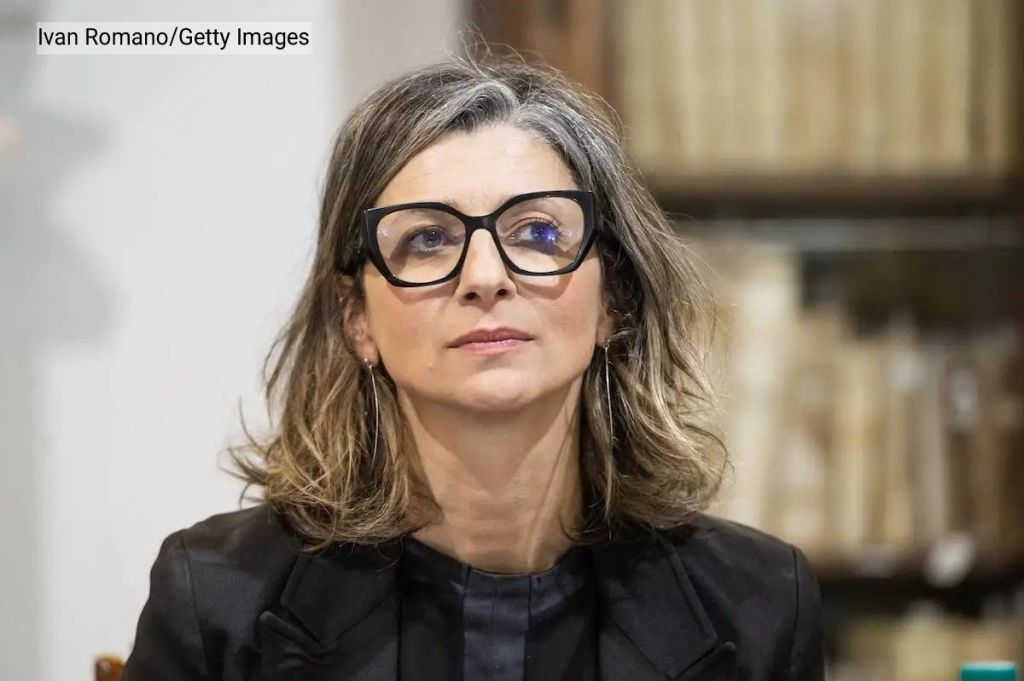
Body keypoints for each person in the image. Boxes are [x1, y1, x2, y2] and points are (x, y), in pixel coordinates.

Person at [121, 54, 825, 681]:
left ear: (612, 298)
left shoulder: (762, 603)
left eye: (538, 233)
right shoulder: (216, 599)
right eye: (428, 239)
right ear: (356, 316)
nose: (485, 277)